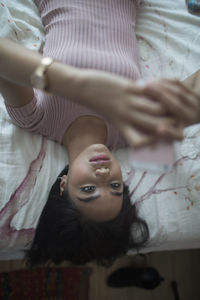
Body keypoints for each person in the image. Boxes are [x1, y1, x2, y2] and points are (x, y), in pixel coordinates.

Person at [0, 0, 199, 267]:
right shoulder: (136, 128)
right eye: (115, 187)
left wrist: (78, 84)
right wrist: (184, 110)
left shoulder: (35, 118)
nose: (104, 175)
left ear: (63, 186)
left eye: (89, 188)